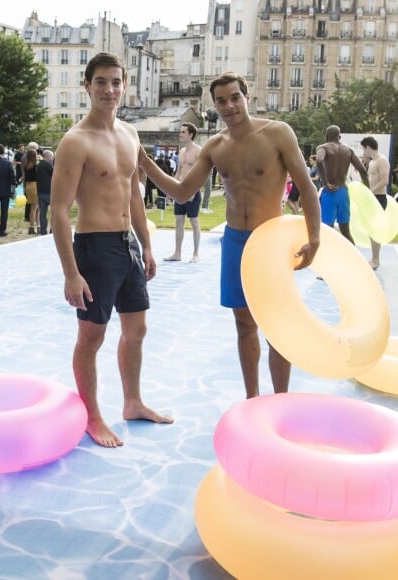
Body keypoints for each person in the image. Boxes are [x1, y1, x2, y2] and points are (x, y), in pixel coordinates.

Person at [139, 71, 321, 399]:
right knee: (244, 323)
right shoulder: (215, 146)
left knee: (277, 326)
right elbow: (182, 192)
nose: (229, 106)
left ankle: (280, 400)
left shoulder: (278, 133)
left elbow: (306, 188)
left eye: (235, 97)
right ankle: (252, 399)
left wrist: (315, 238)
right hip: (236, 241)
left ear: (246, 97)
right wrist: (145, 163)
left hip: (270, 241)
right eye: (221, 101)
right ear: (215, 106)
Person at [51, 52, 173, 448]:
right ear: (86, 85)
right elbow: (58, 210)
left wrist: (147, 246)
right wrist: (71, 272)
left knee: (136, 329)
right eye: (101, 81)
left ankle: (133, 402)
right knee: (92, 337)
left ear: (125, 85)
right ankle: (91, 416)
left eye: (116, 82)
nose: (109, 89)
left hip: (128, 245)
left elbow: (135, 196)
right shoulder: (75, 141)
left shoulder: (130, 134)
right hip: (95, 247)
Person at [315, 125, 369, 244]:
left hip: (330, 191)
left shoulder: (323, 147)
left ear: (326, 136)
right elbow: (363, 170)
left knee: (327, 230)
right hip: (343, 193)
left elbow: (319, 160)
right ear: (339, 136)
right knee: (346, 231)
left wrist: (325, 183)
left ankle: (327, 260)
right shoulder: (348, 150)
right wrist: (367, 190)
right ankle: (354, 259)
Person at [164, 122, 202, 263]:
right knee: (179, 221)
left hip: (192, 190)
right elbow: (178, 172)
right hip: (180, 189)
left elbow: (202, 174)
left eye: (183, 132)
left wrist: (193, 191)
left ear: (191, 134)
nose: (180, 134)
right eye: (180, 132)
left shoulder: (198, 151)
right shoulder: (181, 152)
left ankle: (196, 253)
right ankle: (177, 253)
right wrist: (170, 190)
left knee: (194, 221)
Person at [361, 136, 391, 270]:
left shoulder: (382, 160)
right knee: (371, 230)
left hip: (379, 198)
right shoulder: (372, 162)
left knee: (376, 229)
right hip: (372, 198)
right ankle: (374, 258)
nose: (364, 152)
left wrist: (370, 192)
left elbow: (384, 181)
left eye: (364, 148)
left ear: (368, 147)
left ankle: (375, 260)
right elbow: (371, 180)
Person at [36, 149, 54, 235]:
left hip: (40, 191)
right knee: (53, 212)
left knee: (42, 213)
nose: (52, 159)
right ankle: (52, 229)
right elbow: (54, 175)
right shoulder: (48, 165)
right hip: (49, 192)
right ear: (48, 156)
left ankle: (43, 231)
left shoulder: (38, 165)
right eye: (51, 157)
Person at [23, 148, 39, 234]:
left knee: (34, 208)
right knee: (35, 208)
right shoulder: (35, 166)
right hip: (34, 186)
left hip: (28, 186)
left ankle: (34, 226)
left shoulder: (26, 166)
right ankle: (32, 226)